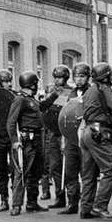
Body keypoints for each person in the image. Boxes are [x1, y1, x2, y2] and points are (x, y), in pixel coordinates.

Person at [79, 62, 112, 220]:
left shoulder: (89, 90)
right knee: (111, 169)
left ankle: (86, 208)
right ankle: (100, 206)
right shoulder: (104, 88)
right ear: (106, 77)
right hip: (99, 132)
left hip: (87, 131)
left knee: (89, 173)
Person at [6, 71, 49, 216]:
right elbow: (11, 122)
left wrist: (55, 95)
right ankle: (16, 204)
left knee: (35, 172)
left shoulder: (32, 100)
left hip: (37, 138)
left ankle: (32, 202)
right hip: (27, 140)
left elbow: (43, 106)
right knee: (21, 172)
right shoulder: (20, 99)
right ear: (32, 84)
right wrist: (15, 141)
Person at [57, 62, 90, 215]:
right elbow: (61, 115)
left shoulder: (92, 92)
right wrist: (63, 139)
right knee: (70, 171)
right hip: (70, 138)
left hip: (86, 137)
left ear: (88, 77)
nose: (79, 79)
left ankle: (87, 205)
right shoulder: (68, 94)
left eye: (82, 76)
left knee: (87, 172)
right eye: (76, 76)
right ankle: (72, 203)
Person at [39, 65, 73, 209]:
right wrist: (53, 95)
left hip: (65, 133)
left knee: (68, 166)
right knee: (54, 166)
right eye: (56, 78)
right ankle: (60, 196)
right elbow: (42, 107)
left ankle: (72, 198)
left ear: (65, 78)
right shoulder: (51, 91)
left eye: (60, 78)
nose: (58, 80)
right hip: (52, 132)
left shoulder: (70, 92)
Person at [0, 70, 15, 212]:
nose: (9, 84)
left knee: (15, 168)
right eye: (6, 81)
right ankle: (4, 198)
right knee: (1, 169)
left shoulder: (14, 96)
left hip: (12, 137)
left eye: (10, 81)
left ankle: (16, 197)